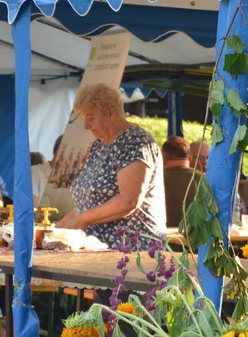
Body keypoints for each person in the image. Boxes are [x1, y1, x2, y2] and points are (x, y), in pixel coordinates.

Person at [57, 84, 166, 248]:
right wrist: (58, 229)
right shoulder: (99, 145)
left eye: (90, 118)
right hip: (99, 249)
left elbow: (128, 201)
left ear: (110, 112)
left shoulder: (135, 142)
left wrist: (81, 219)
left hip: (132, 251)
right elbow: (88, 203)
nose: (86, 126)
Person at [162, 136, 201, 229]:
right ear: (190, 158)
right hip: (197, 240)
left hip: (162, 238)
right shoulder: (205, 179)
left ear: (163, 158)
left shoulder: (153, 179)